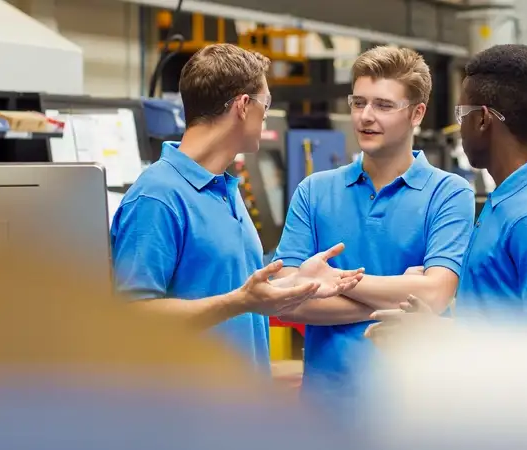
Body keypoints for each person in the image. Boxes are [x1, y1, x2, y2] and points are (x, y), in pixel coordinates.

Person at [110, 44, 363, 373]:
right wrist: (240, 301)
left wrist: (299, 283)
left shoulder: (225, 189)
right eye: (266, 104)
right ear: (244, 105)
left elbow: (235, 292)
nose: (266, 116)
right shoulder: (157, 197)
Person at [270, 46, 475, 412]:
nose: (365, 116)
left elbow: (435, 295)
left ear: (417, 113)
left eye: (383, 105)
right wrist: (399, 294)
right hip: (327, 412)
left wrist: (329, 282)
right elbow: (286, 303)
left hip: (417, 413)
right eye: (358, 102)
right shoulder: (314, 191)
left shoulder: (449, 193)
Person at [366, 44, 527, 339]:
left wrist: (440, 334)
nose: (461, 128)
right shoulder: (509, 199)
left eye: (462, 115)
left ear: (483, 119)